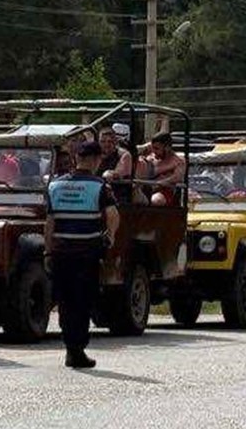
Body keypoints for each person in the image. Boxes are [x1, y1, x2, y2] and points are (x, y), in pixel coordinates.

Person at [44, 141, 119, 370]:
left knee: (65, 302)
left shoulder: (55, 185)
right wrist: (110, 236)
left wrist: (48, 250)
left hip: (61, 252)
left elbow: (49, 223)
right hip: (87, 252)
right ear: (96, 160)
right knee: (83, 300)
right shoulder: (99, 186)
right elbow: (113, 214)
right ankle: (77, 349)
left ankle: (70, 348)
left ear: (76, 158)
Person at [137, 129, 185, 205]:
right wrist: (145, 147)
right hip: (143, 187)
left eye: (157, 148)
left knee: (156, 200)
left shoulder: (177, 161)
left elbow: (177, 177)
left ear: (167, 147)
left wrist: (161, 183)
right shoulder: (149, 157)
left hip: (164, 191)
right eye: (152, 148)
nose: (154, 151)